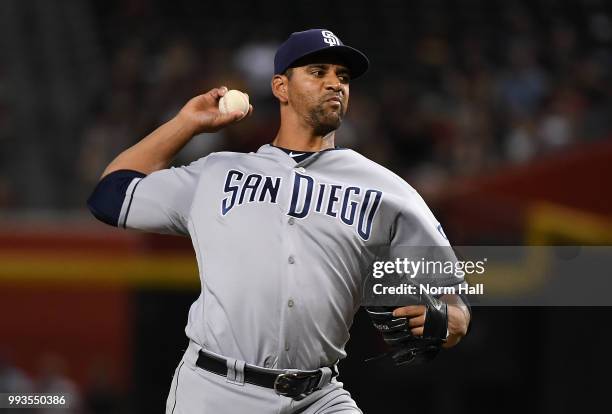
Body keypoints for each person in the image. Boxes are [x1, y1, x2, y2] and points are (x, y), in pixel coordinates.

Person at [87, 29, 471, 414]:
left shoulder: (388, 190)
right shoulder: (218, 173)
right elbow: (110, 196)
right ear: (280, 87)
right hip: (215, 390)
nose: (334, 83)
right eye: (318, 72)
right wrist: (187, 123)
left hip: (319, 395)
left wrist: (452, 321)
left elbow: (454, 301)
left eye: (343, 76)